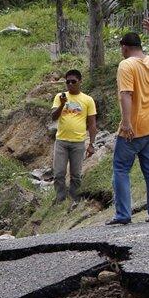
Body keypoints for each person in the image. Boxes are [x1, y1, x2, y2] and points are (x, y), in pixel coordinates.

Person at [107, 18, 149, 225]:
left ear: (124, 48)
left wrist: (126, 124)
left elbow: (126, 94)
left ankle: (123, 214)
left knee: (120, 168)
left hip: (135, 129)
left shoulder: (126, 65)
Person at [49, 69, 97, 207]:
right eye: (67, 82)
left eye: (73, 82)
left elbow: (92, 124)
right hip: (61, 141)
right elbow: (53, 117)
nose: (70, 84)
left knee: (76, 175)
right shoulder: (60, 96)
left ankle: (74, 200)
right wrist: (63, 104)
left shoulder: (88, 100)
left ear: (80, 82)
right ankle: (61, 200)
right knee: (59, 173)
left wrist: (92, 143)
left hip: (78, 142)